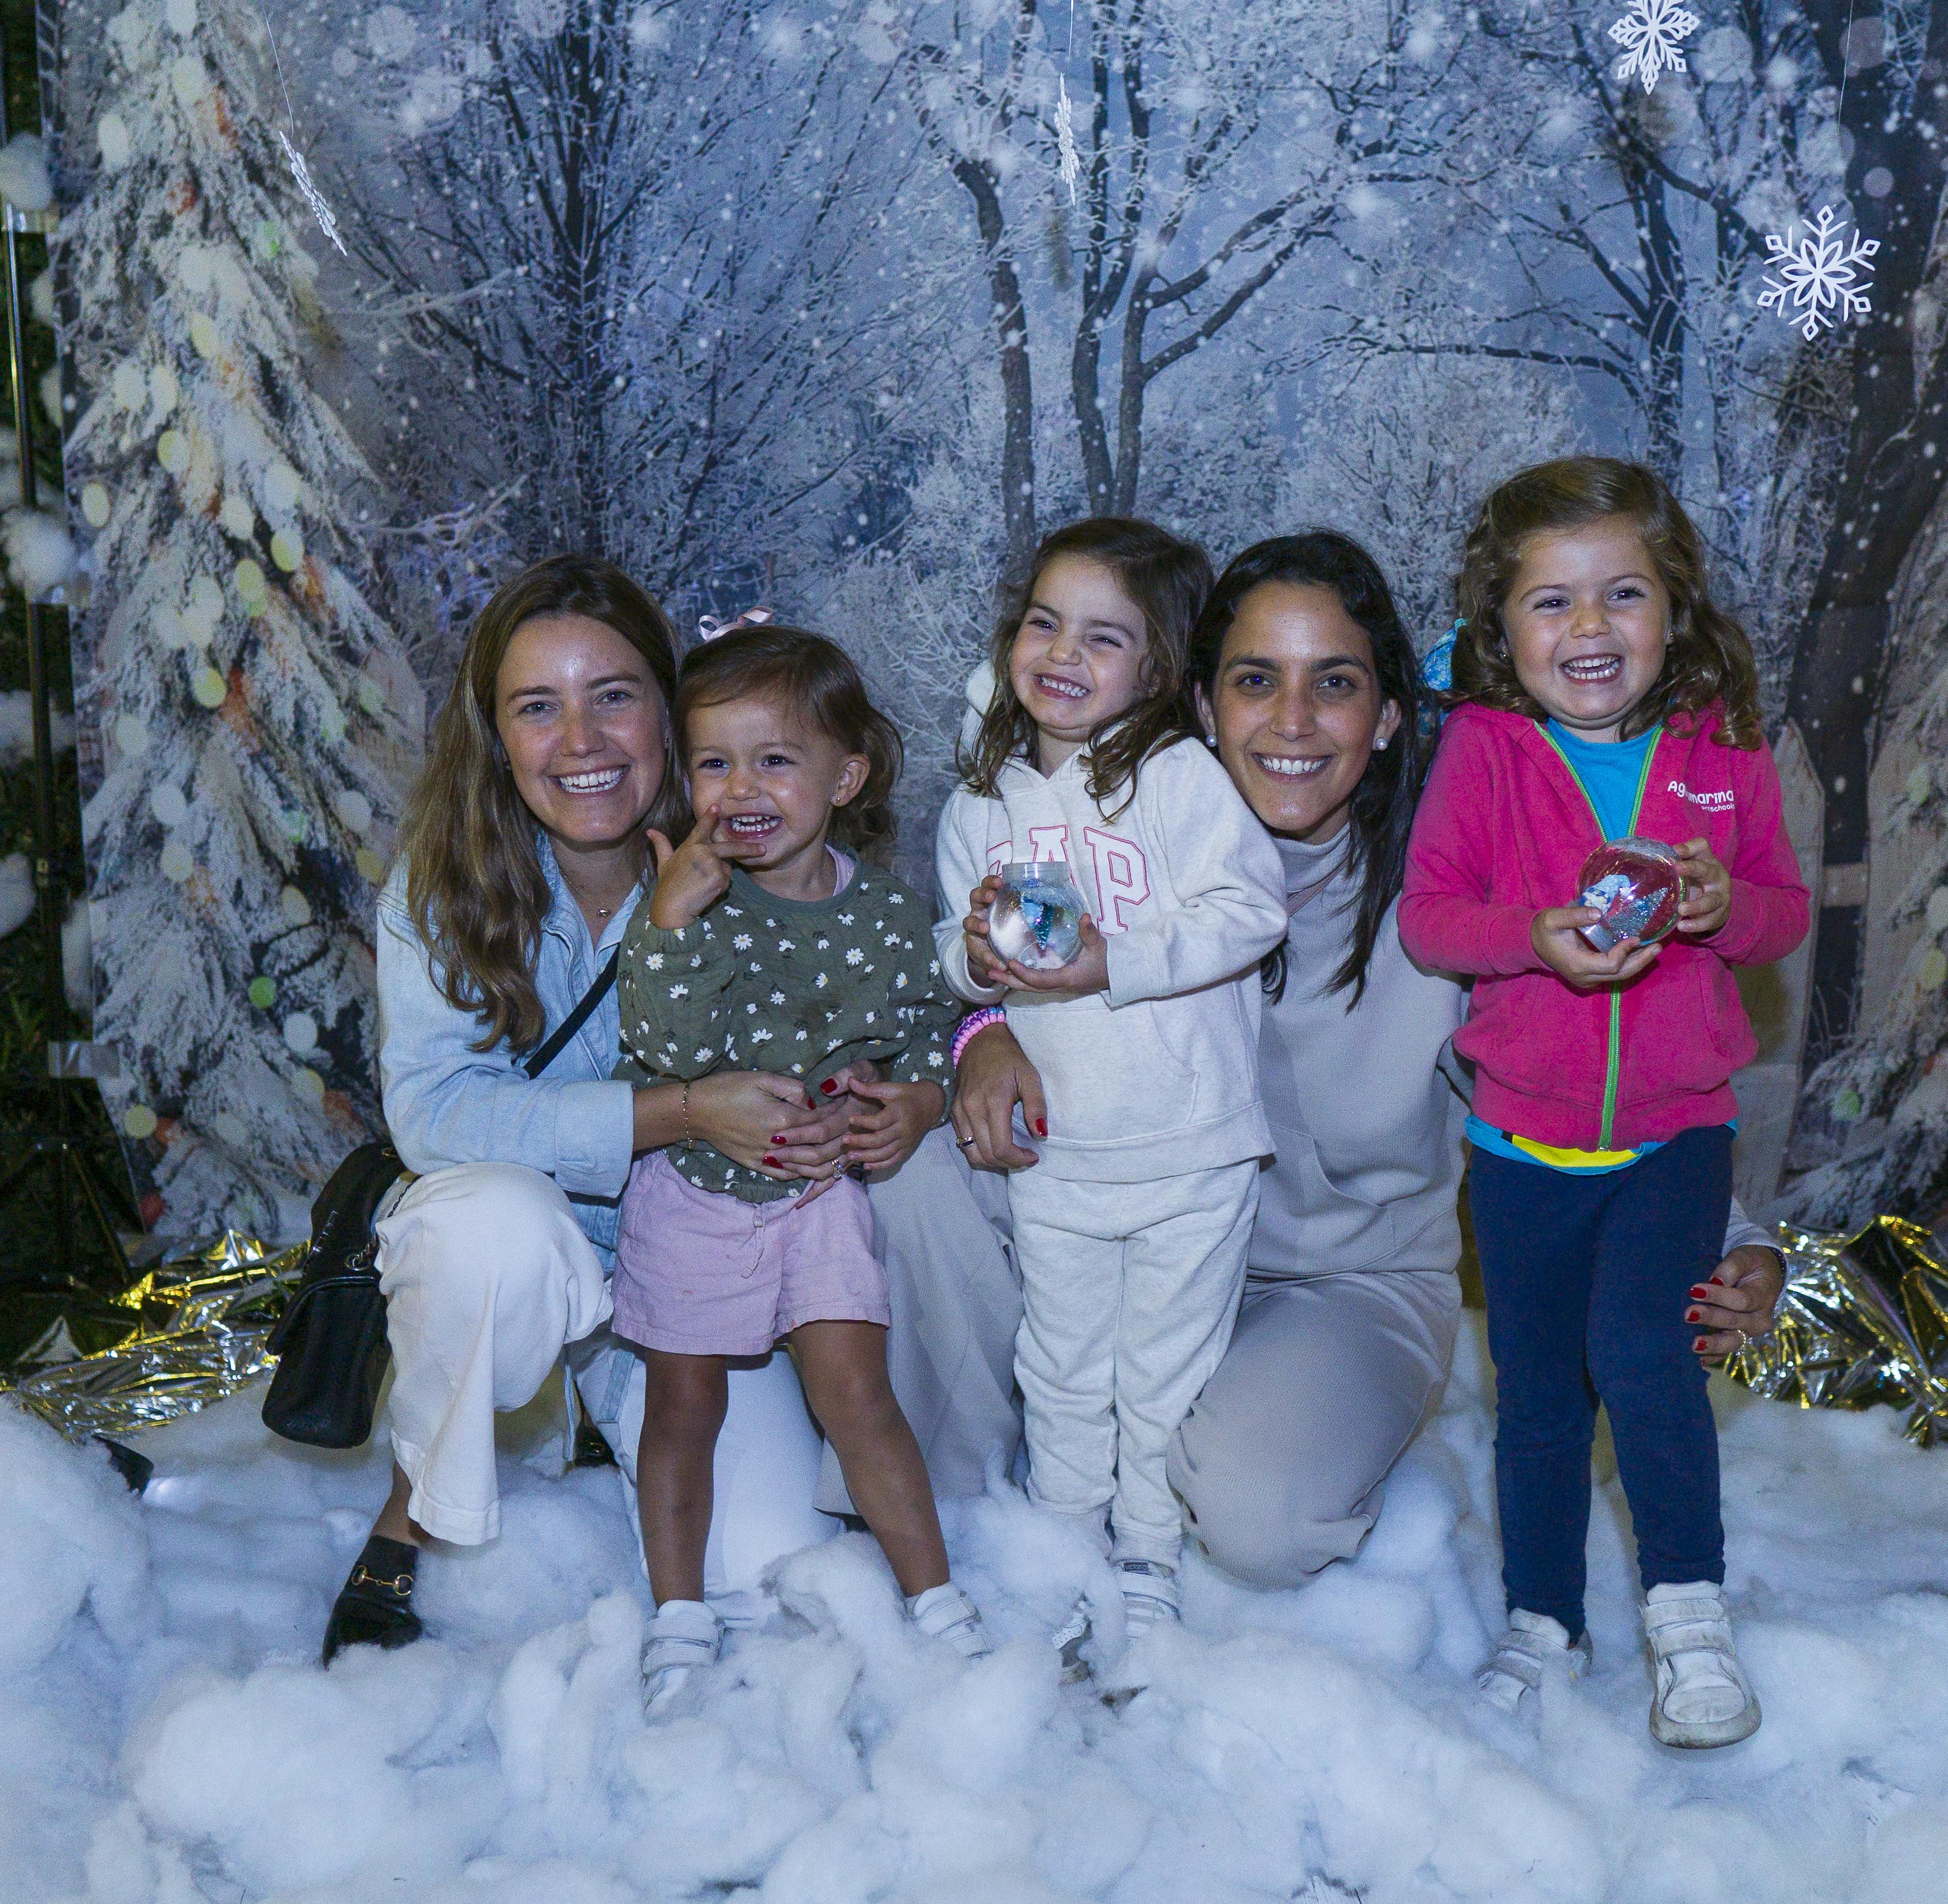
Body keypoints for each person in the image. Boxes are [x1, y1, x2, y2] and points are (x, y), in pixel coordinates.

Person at [946, 532, 1788, 1608]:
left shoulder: (1450, 912)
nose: (1291, 722)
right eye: (1256, 681)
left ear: (1388, 717)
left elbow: (1579, 1080)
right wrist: (987, 1034)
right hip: (1117, 1227)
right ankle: (946, 1486)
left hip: (1333, 1286)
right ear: (1201, 705)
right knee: (924, 1176)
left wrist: (1730, 1240)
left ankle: (1284, 1432)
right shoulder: (1113, 851)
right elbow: (975, 947)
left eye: (1333, 684)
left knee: (1259, 1514)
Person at [322, 556, 930, 1662]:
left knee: (765, 1565)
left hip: (686, 1274)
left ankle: (603, 1423)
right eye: (537, 707)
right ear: (496, 735)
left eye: (613, 695)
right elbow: (437, 1115)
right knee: (493, 1233)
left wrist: (888, 1089)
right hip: (517, 1241)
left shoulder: (766, 852)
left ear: (668, 705)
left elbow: (879, 1011)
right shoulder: (442, 883)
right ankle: (412, 1514)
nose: (583, 741)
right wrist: (685, 1109)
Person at [1400, 457, 1808, 1746]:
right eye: (1551, 603)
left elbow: (1781, 912)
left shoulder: (1721, 748)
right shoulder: (1481, 747)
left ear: (1671, 609)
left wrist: (1719, 908)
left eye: (1620, 594)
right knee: (1535, 1393)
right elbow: (1428, 918)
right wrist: (1534, 934)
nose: (1588, 630)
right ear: (1498, 630)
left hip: (1675, 1130)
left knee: (1644, 1355)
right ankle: (1542, 1620)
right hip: (1518, 1140)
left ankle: (1688, 1620)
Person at [614, 625, 990, 1709]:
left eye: (774, 760)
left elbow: (926, 1029)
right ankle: (677, 1613)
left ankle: (938, 1602)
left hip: (820, 1194)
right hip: (696, 1190)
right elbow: (668, 1052)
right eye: (714, 763)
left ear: (847, 774)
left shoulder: (881, 910)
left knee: (859, 1396)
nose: (740, 789)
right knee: (682, 1406)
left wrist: (915, 1102)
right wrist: (672, 923)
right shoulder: (691, 899)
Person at [934, 517, 1287, 1662]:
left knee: (1163, 1368)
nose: (1062, 654)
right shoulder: (980, 800)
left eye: (1103, 637)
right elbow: (953, 935)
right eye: (1044, 622)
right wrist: (974, 966)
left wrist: (1113, 962)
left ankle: (1146, 1552)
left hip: (1190, 1145)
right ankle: (1061, 1541)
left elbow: (1250, 913)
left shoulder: (1180, 782)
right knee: (1063, 1359)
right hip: (1058, 1146)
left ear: (1156, 668)